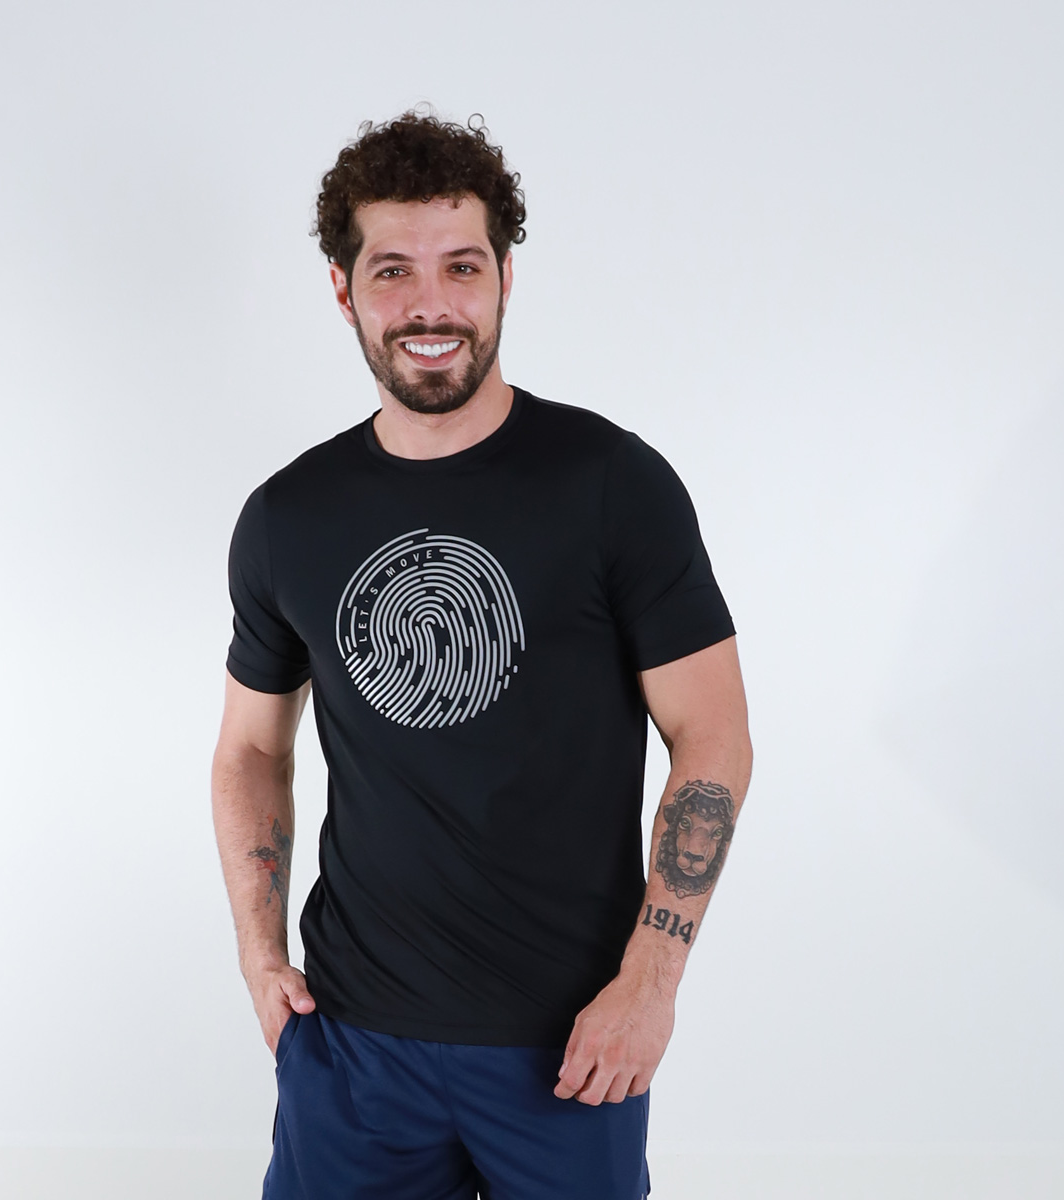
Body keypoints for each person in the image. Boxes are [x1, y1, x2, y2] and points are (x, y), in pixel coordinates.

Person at [211, 110, 753, 1200]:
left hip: (571, 1046)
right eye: (393, 271)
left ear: (505, 277)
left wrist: (652, 982)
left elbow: (713, 738)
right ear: (343, 289)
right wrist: (260, 958)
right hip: (352, 1043)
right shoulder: (287, 516)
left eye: (461, 267)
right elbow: (250, 750)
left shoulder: (613, 485)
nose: (431, 306)